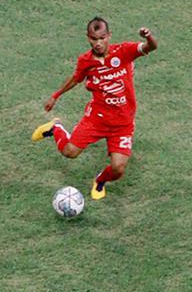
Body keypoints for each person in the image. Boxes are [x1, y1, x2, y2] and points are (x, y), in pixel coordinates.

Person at [31, 16, 158, 200]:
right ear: (88, 38)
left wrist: (148, 37)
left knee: (118, 169)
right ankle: (55, 128)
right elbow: (76, 79)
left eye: (102, 38)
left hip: (122, 124)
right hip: (96, 119)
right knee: (69, 152)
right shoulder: (86, 61)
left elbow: (151, 47)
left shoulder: (124, 51)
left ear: (109, 36)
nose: (98, 43)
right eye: (94, 39)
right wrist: (56, 95)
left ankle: (100, 180)